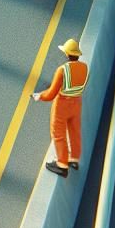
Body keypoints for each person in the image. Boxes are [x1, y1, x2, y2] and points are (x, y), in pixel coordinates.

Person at [32, 39, 88, 178]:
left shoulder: (62, 70)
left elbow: (51, 93)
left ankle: (62, 164)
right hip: (77, 102)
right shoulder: (84, 67)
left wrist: (39, 96)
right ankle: (74, 159)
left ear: (67, 54)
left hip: (62, 104)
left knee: (58, 133)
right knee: (74, 130)